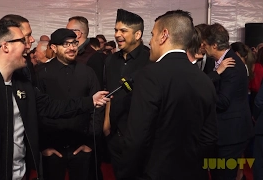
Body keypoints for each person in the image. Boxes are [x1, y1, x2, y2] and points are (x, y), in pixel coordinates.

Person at [0, 19, 110, 180]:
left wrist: (90, 101)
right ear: (5, 46)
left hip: (20, 174)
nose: (29, 43)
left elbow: (52, 106)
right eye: (23, 40)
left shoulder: (22, 84)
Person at [118, 10, 217, 180]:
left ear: (163, 35)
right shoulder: (205, 80)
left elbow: (137, 137)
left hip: (155, 173)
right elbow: (209, 138)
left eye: (152, 34)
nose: (150, 41)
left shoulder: (149, 75)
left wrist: (124, 174)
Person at [37, 28, 103, 180]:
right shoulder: (42, 73)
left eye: (74, 43)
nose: (72, 48)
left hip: (81, 147)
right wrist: (44, 146)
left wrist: (89, 143)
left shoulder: (87, 72)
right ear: (54, 47)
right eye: (66, 44)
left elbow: (97, 108)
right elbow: (38, 111)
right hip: (52, 147)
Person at [103, 9, 151, 178]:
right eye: (116, 30)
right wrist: (106, 124)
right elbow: (108, 93)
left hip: (143, 138)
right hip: (115, 137)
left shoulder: (150, 59)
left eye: (123, 31)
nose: (117, 35)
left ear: (137, 34)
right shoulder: (110, 60)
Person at [202, 23, 253, 180]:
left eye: (204, 43)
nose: (202, 46)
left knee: (224, 175)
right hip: (226, 133)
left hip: (231, 134)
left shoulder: (231, 65)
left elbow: (223, 101)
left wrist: (200, 95)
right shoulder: (221, 62)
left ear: (215, 45)